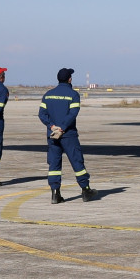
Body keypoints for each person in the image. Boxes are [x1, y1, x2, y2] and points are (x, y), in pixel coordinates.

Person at [40, 68, 98, 203]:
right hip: (68, 135)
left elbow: (42, 114)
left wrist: (52, 126)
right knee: (77, 162)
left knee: (54, 164)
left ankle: (55, 193)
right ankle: (86, 190)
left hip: (53, 135)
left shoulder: (48, 95)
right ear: (69, 79)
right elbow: (73, 114)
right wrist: (63, 128)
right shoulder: (73, 95)